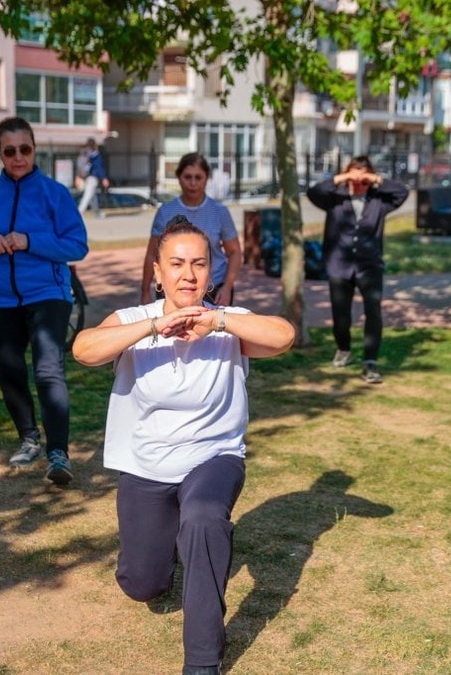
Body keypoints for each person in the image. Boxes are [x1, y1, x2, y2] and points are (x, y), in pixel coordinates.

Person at [72, 217, 295, 675]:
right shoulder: (136, 321)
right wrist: (155, 326)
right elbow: (84, 350)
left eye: (198, 264)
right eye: (176, 264)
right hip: (147, 465)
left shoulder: (230, 324)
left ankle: (203, 660)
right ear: (157, 272)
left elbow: (284, 336)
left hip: (215, 456)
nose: (188, 275)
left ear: (211, 273)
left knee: (203, 518)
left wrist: (216, 322)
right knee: (142, 584)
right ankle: (169, 551)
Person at [0, 116, 89, 486]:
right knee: (9, 371)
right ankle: (28, 437)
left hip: (47, 293)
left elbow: (77, 244)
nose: (18, 157)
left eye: (25, 150)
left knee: (48, 370)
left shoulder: (54, 194)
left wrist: (30, 240)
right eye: (10, 151)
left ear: (35, 149)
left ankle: (58, 453)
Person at [306, 155, 409, 384]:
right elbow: (313, 192)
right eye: (354, 178)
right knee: (340, 315)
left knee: (373, 311)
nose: (358, 183)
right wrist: (342, 178)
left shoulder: (379, 200)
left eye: (363, 179)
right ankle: (344, 349)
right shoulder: (335, 198)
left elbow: (402, 192)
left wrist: (375, 179)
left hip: (369, 264)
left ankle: (370, 362)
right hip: (339, 265)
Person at [140, 153, 242, 306]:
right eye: (187, 177)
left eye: (198, 177)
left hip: (212, 289)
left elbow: (234, 252)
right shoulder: (165, 212)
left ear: (206, 178)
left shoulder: (219, 212)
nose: (193, 183)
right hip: (174, 288)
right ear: (179, 178)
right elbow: (152, 254)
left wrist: (227, 287)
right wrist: (145, 290)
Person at [75, 137, 110, 218]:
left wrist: (78, 176)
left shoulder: (84, 153)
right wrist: (104, 178)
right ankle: (79, 212)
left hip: (85, 177)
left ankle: (97, 213)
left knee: (92, 196)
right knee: (88, 195)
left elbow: (80, 165)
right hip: (93, 177)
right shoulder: (96, 155)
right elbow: (99, 167)